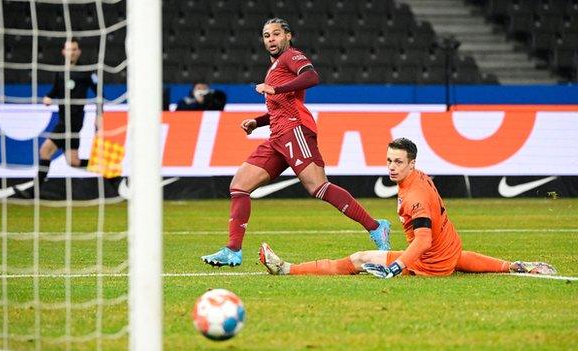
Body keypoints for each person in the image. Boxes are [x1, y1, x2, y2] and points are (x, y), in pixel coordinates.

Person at [201, 18, 391, 267]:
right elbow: (279, 106)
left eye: (276, 34)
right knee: (239, 186)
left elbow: (312, 77)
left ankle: (376, 227)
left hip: (295, 130)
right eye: (266, 35)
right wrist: (257, 122)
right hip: (277, 136)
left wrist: (275, 90)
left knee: (318, 187)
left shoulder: (292, 56)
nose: (271, 39)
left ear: (288, 36)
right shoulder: (274, 68)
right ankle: (232, 250)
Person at [258, 137, 557, 277]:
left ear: (412, 163)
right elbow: (443, 248)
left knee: (359, 258)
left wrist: (397, 266)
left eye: (398, 161)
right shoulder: (417, 179)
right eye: (389, 160)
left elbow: (424, 240)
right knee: (453, 256)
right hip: (448, 251)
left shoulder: (415, 196)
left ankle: (287, 269)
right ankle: (516, 265)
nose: (391, 166)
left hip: (429, 262)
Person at [16, 38, 99, 198]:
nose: (72, 52)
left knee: (45, 151)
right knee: (73, 162)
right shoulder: (61, 72)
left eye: (74, 49)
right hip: (64, 119)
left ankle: (33, 193)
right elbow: (55, 90)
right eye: (69, 49)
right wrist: (48, 96)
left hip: (73, 121)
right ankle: (108, 169)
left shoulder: (87, 71)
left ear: (79, 52)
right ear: (63, 52)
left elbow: (100, 93)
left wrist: (99, 115)